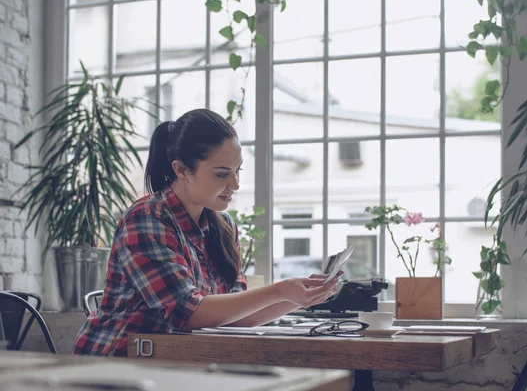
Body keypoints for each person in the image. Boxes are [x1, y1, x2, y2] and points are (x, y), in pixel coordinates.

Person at [73, 109, 340, 356]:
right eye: (222, 174)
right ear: (181, 170)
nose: (235, 184)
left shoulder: (223, 227)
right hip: (117, 362)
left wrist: (297, 298)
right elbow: (187, 314)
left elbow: (235, 316)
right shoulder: (147, 217)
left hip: (177, 361)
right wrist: (277, 289)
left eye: (237, 171)